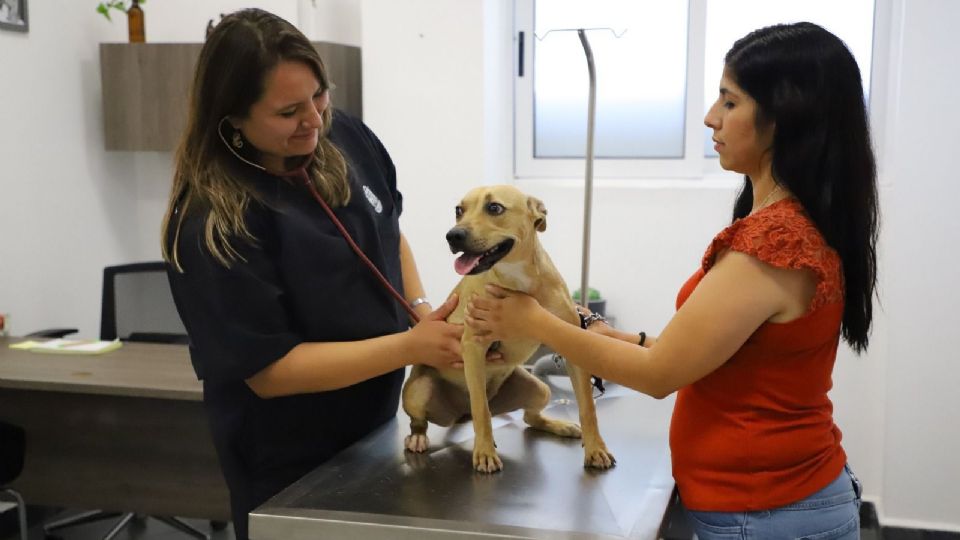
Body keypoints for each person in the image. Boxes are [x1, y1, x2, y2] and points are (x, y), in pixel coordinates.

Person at [466, 22, 876, 540]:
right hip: (775, 502)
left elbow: (659, 377)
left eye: (729, 102)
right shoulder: (796, 223)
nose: (710, 117)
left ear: (783, 116)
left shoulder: (774, 245)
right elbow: (732, 359)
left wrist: (536, 321)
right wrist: (628, 340)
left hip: (769, 514)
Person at [160, 9, 495, 539]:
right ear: (233, 124)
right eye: (289, 111)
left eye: (319, 95)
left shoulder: (346, 140)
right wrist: (411, 347)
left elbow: (390, 232)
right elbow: (271, 372)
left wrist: (424, 314)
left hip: (375, 428)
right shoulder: (212, 223)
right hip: (287, 459)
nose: (314, 120)